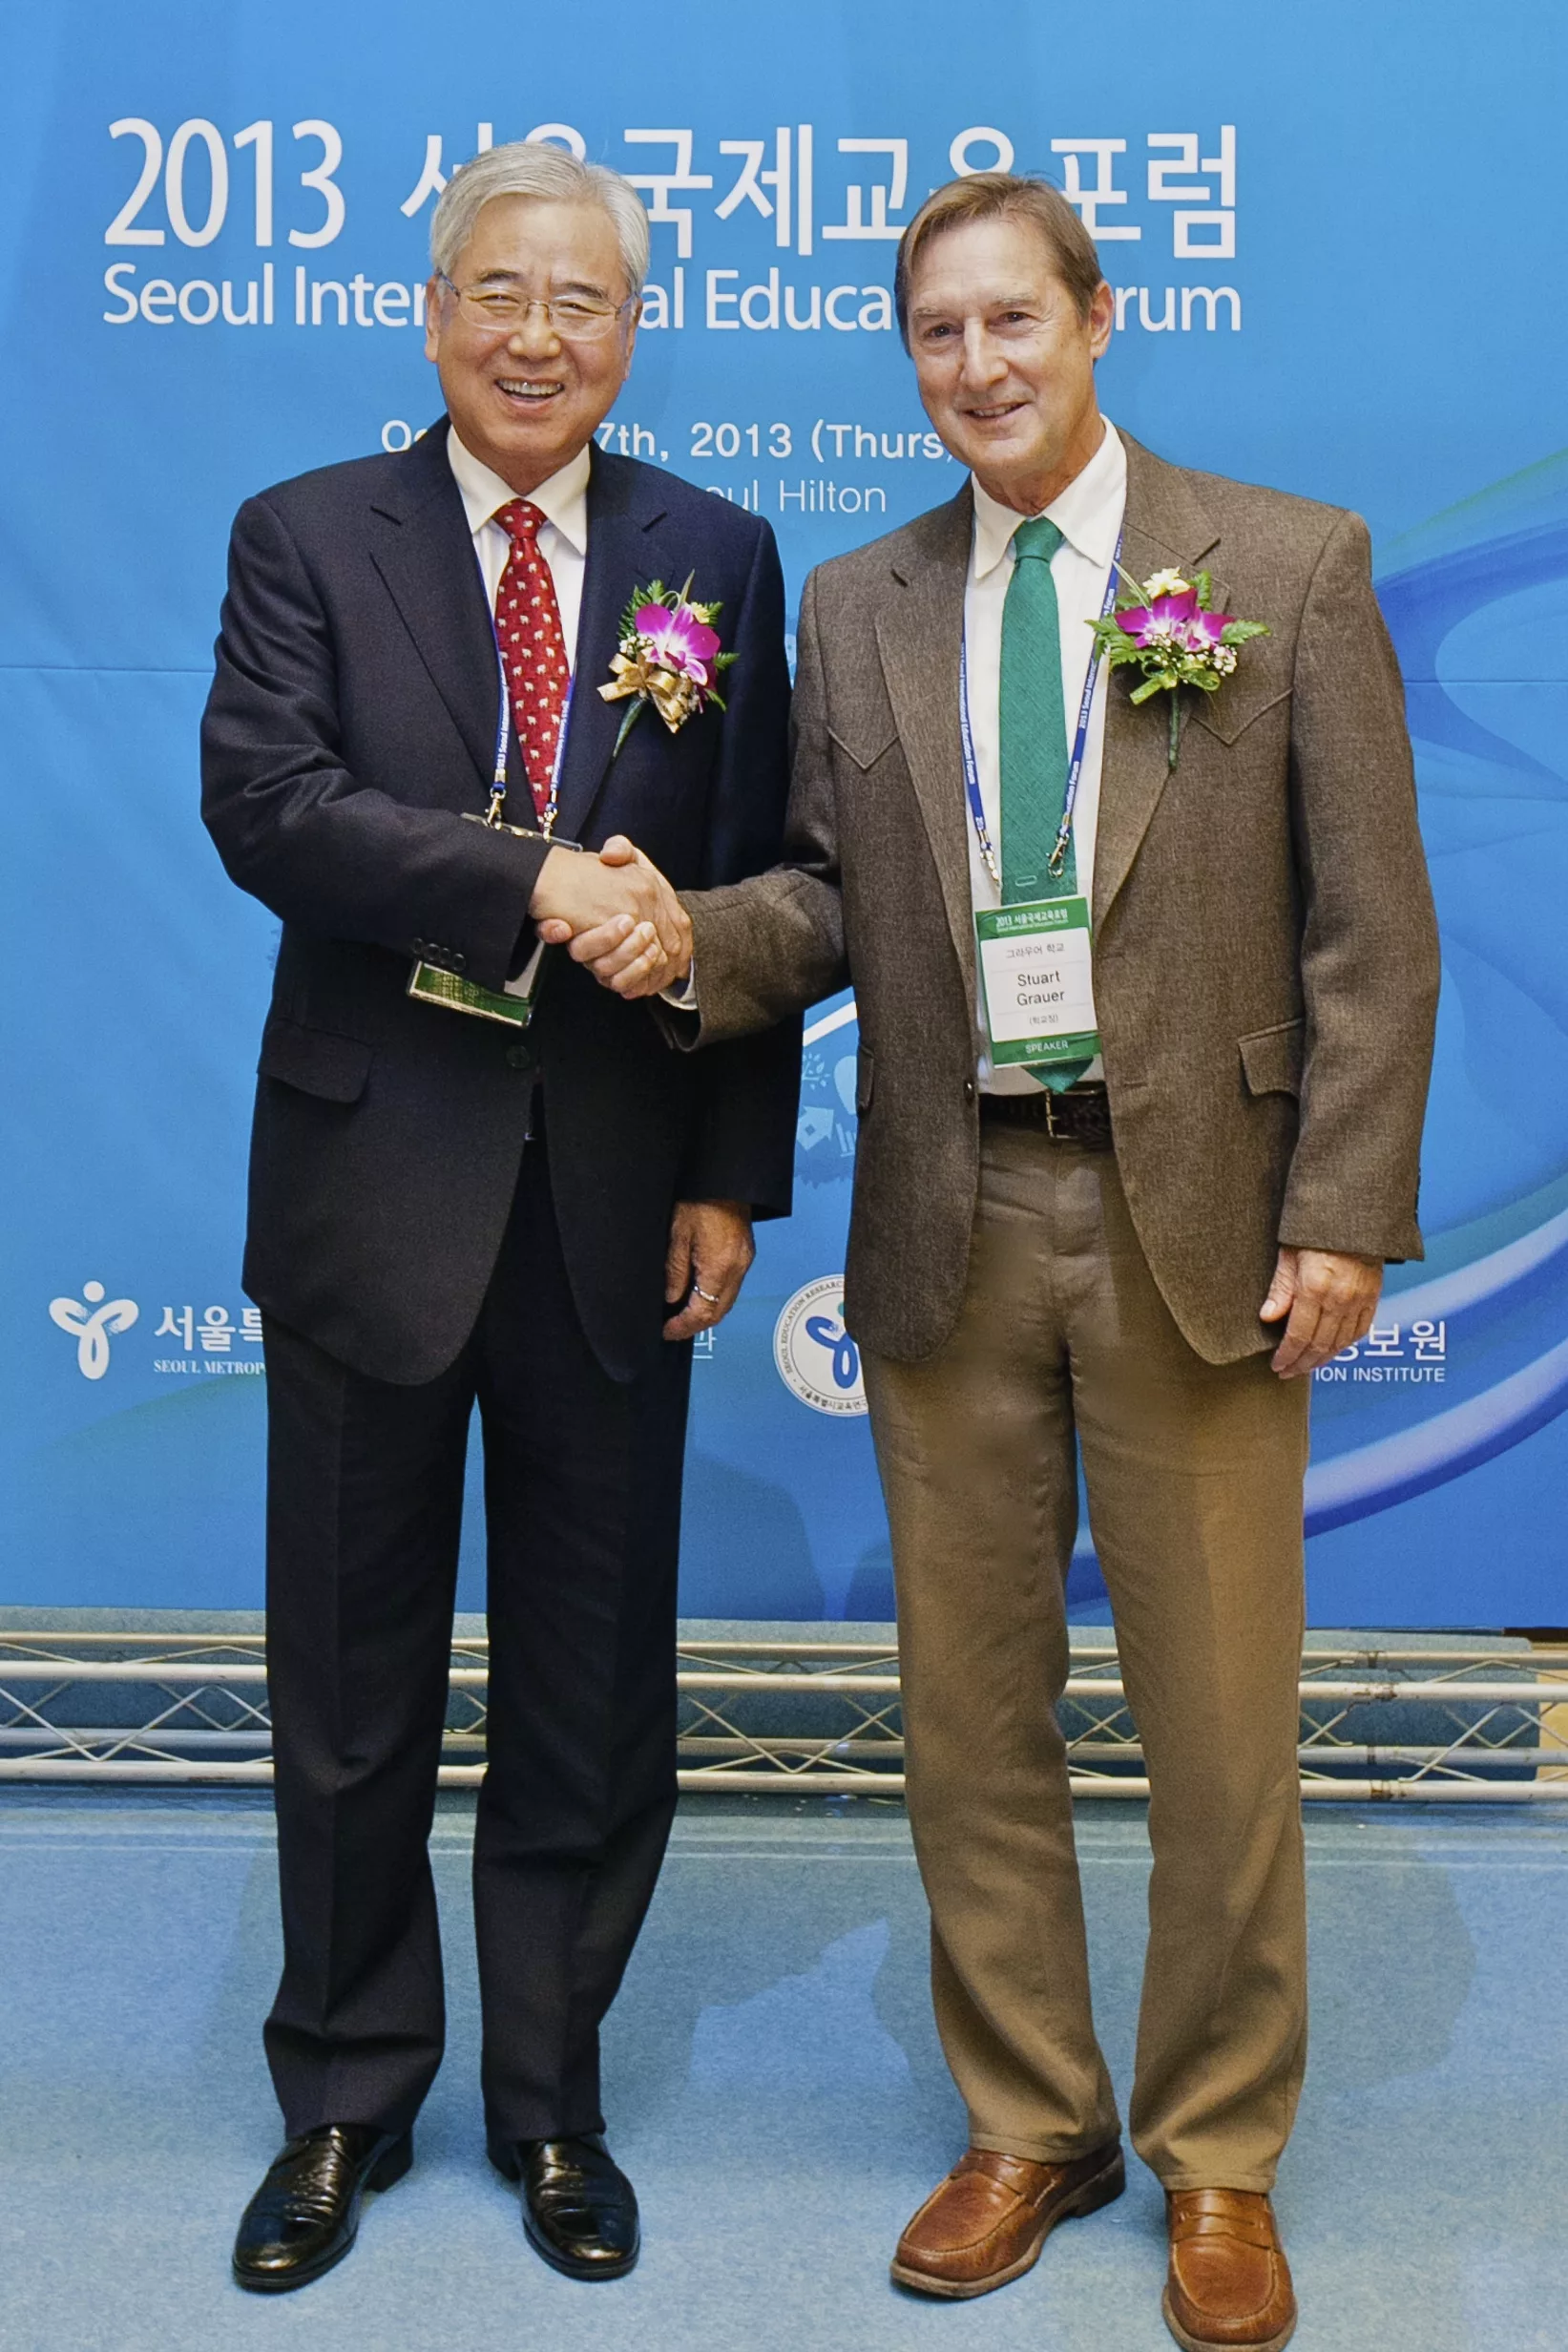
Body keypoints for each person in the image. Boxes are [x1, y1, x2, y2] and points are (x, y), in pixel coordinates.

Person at [552, 173, 1439, 2352]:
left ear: (1094, 318)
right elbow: (821, 895)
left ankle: (1217, 2151)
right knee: (967, 1720)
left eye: (1007, 322)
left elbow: (1368, 931)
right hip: (945, 1226)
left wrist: (1337, 1206)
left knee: (1219, 1720)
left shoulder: (1283, 564)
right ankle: (1027, 2115)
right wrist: (678, 931)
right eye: (933, 334)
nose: (974, 367)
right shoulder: (856, 602)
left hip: (1202, 1230)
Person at [200, 140, 796, 2292]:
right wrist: (532, 876)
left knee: (586, 1678)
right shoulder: (305, 537)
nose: (541, 335)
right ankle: (348, 2094)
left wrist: (733, 1168)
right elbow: (268, 806)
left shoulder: (712, 549)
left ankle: (551, 2101)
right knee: (347, 1687)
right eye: (501, 294)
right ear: (433, 310)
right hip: (374, 1183)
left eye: (585, 303)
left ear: (630, 331)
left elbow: (744, 871)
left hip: (616, 1205)